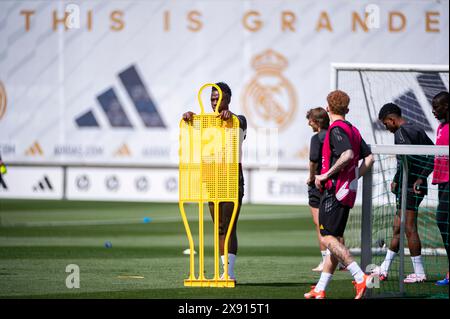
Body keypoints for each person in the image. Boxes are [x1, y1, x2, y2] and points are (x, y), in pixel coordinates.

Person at [304, 90, 374, 299]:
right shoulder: (353, 129)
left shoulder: (336, 129)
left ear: (328, 108)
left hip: (335, 191)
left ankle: (360, 276)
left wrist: (325, 174)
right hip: (347, 191)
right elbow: (369, 158)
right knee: (333, 239)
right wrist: (354, 178)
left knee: (327, 238)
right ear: (347, 109)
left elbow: (348, 154)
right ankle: (320, 288)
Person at [182, 82, 247, 281]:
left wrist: (231, 116)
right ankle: (223, 272)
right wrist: (189, 118)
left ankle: (229, 272)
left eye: (218, 98)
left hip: (231, 178)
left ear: (228, 99)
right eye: (211, 98)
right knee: (219, 227)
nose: (214, 102)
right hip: (211, 177)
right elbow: (192, 129)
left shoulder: (238, 120)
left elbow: (240, 123)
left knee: (229, 227)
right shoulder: (206, 121)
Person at [372, 103, 434, 284]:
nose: (386, 127)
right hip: (411, 185)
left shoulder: (401, 133)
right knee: (398, 227)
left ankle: (420, 272)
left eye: (385, 123)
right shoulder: (416, 128)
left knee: (409, 228)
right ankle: (384, 268)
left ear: (392, 119)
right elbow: (434, 154)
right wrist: (419, 178)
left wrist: (407, 178)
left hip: (410, 187)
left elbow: (407, 161)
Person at [413, 91, 449, 286]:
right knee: (445, 225)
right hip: (442, 182)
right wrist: (422, 177)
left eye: (437, 107)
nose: (433, 111)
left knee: (442, 220)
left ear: (447, 107)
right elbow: (436, 155)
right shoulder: (441, 127)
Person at [306, 107, 331, 272]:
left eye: (310, 120)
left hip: (319, 184)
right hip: (333, 183)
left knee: (319, 224)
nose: (309, 123)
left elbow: (314, 161)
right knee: (333, 224)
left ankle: (325, 261)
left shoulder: (317, 138)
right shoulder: (335, 134)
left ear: (317, 122)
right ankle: (338, 259)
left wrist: (312, 177)